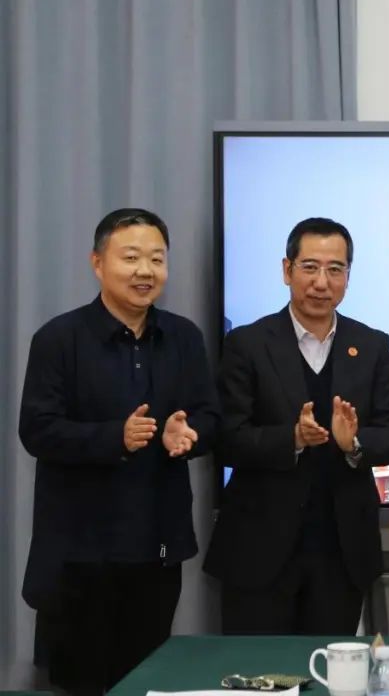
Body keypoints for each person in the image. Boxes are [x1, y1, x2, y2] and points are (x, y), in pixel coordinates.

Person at [19, 208, 220, 695]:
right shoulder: (59, 339)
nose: (145, 271)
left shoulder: (184, 337)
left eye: (157, 259)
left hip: (156, 551)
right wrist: (115, 438)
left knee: (146, 682)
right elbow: (37, 430)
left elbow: (212, 418)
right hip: (77, 556)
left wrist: (186, 433)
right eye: (130, 258)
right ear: (97, 263)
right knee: (81, 683)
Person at [204, 217, 389, 635]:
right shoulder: (247, 344)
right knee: (256, 668)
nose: (321, 282)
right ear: (287, 270)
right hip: (258, 549)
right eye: (310, 267)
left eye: (335, 269)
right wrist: (292, 438)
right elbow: (225, 439)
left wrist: (354, 444)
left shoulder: (372, 345)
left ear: (348, 276)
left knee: (332, 665)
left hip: (341, 550)